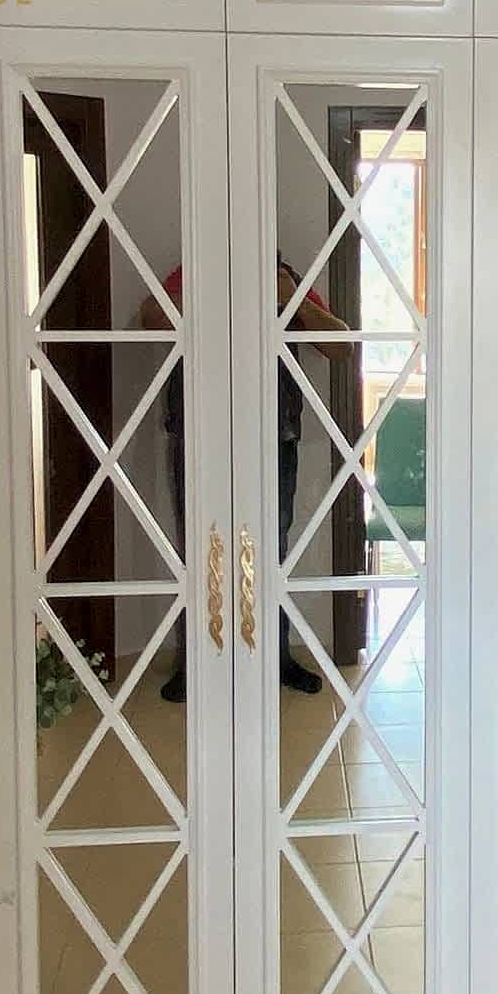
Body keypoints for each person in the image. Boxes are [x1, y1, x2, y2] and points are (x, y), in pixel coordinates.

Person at [145, 255, 348, 699]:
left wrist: (294, 300)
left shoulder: (286, 277)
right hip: (201, 433)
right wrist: (212, 290)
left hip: (274, 435)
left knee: (272, 548)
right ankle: (196, 663)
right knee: (200, 546)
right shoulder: (199, 262)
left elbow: (341, 346)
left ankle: (276, 657)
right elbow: (151, 316)